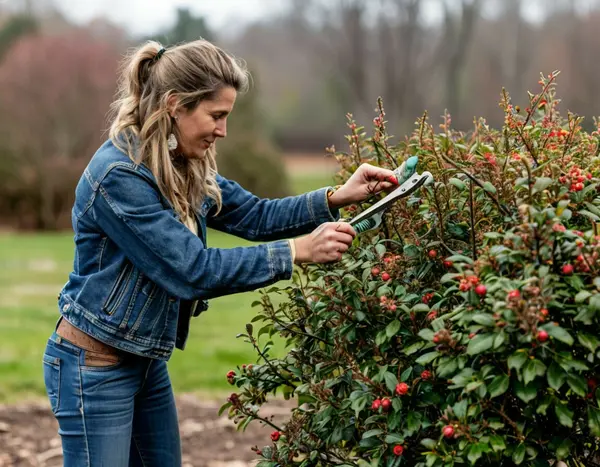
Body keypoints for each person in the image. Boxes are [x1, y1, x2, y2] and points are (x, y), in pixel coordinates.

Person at [42, 39, 400, 466]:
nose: (222, 130)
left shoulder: (183, 163)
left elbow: (255, 215)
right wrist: (297, 252)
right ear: (176, 104)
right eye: (216, 115)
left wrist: (337, 197)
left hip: (143, 361)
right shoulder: (120, 176)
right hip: (94, 369)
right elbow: (193, 270)